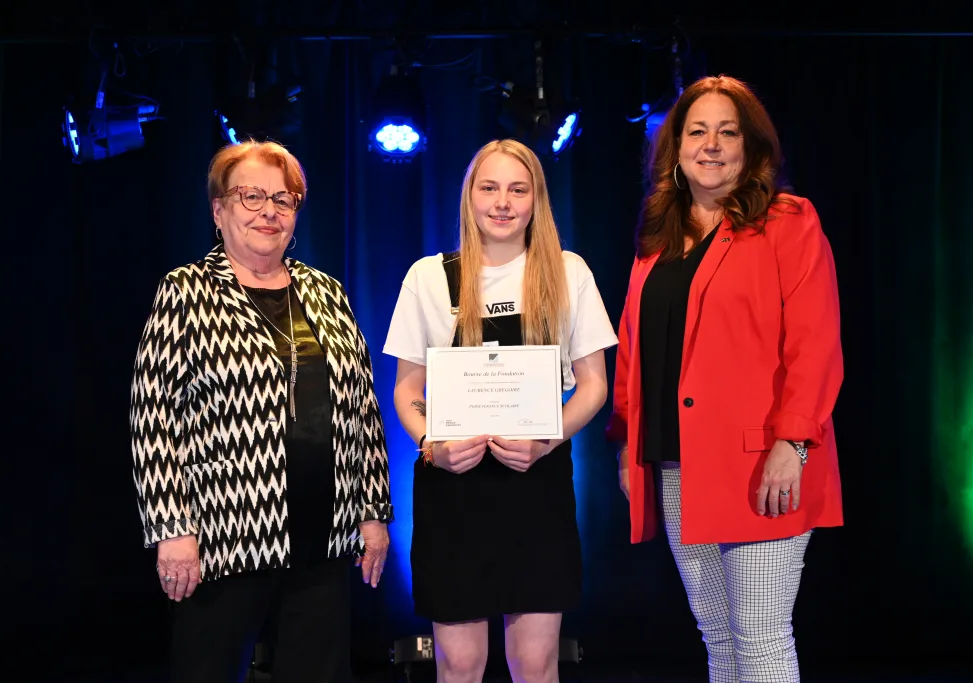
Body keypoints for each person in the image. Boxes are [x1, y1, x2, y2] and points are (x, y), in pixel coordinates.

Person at [606, 75, 844, 683]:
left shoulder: (788, 221)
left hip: (763, 462)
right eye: (697, 131)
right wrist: (628, 445)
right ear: (675, 148)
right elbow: (634, 352)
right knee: (720, 637)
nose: (711, 144)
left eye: (727, 132)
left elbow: (814, 344)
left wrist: (793, 445)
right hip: (678, 465)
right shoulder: (656, 240)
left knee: (761, 641)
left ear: (750, 147)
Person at [129, 139, 393, 683]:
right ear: (218, 209)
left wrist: (372, 511)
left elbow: (362, 409)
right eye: (250, 197)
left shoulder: (326, 290)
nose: (268, 211)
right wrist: (172, 529)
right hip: (223, 533)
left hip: (325, 532)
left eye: (284, 198)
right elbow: (153, 417)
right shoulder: (185, 291)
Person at [383, 139, 618, 683]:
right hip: (453, 484)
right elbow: (406, 388)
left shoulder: (567, 271)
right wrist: (430, 444)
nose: (503, 202)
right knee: (460, 665)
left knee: (535, 664)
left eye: (518, 188)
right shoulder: (429, 276)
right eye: (489, 187)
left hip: (537, 480)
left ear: (537, 199)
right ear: (469, 196)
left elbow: (593, 386)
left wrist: (546, 441)